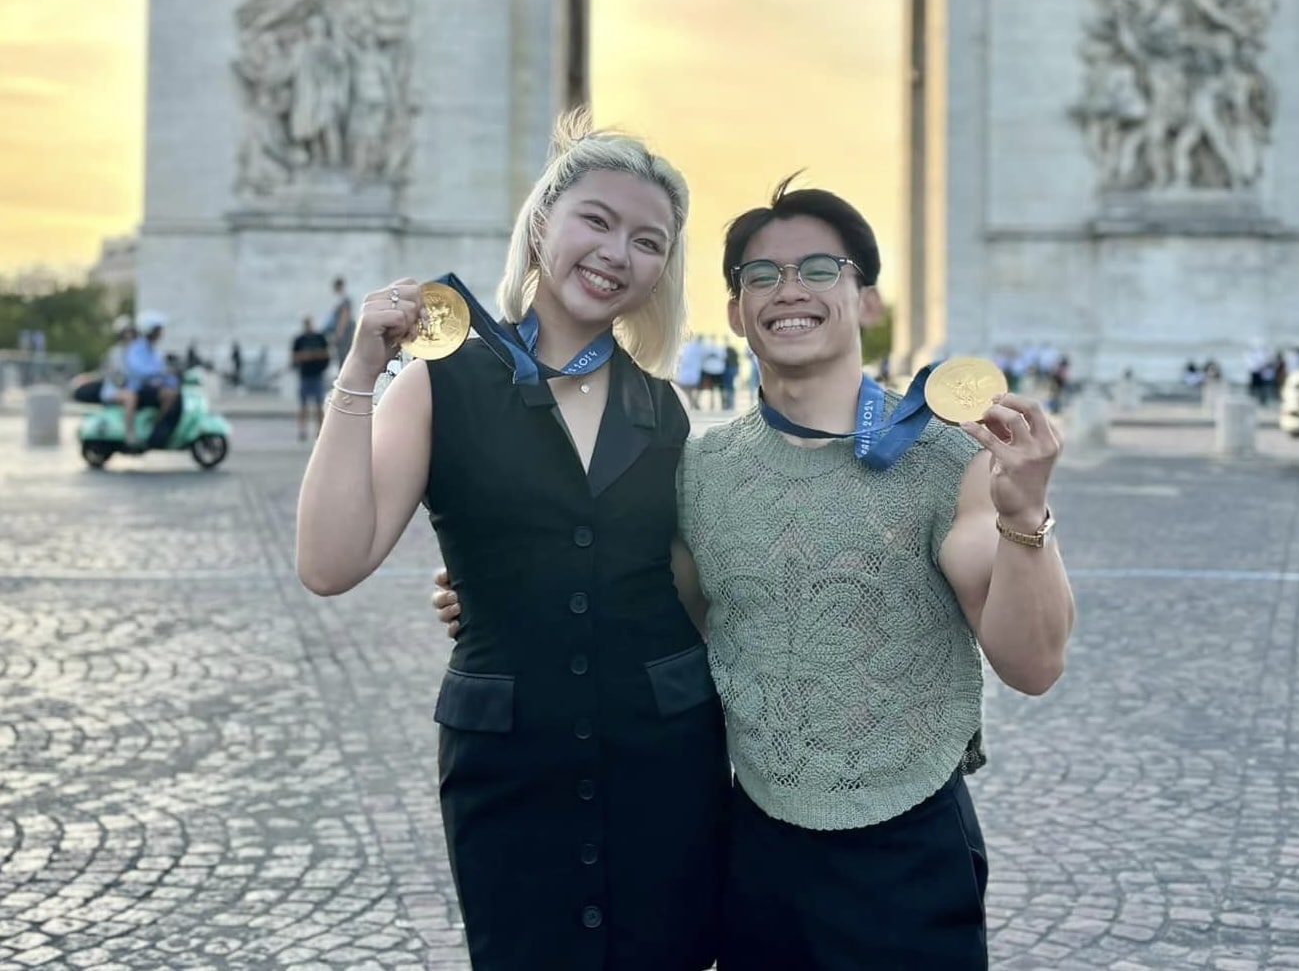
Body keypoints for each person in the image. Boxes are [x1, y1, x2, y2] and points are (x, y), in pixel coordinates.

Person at [436, 179, 1076, 969]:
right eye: (760, 276)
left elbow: (1033, 662)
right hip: (754, 846)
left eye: (818, 268)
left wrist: (1025, 517)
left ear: (867, 300)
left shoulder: (948, 457)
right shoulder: (697, 469)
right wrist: (495, 592)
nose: (789, 291)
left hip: (906, 849)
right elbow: (641, 603)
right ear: (736, 312)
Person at [296, 113, 729, 971]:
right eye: (596, 220)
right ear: (541, 224)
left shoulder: (665, 409)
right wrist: (358, 371)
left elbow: (695, 589)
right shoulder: (437, 381)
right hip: (509, 766)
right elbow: (328, 561)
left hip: (665, 758)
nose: (617, 252)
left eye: (649, 240)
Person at [124, 312, 181, 448]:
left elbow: (163, 373)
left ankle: (160, 430)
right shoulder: (136, 348)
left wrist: (173, 379)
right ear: (151, 331)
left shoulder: (153, 350)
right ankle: (154, 427)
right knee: (168, 395)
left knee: (174, 393)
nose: (161, 333)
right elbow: (137, 370)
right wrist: (160, 373)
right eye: (158, 330)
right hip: (139, 389)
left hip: (152, 388)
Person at [99, 316, 141, 444]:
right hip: (115, 389)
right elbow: (116, 376)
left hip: (130, 386)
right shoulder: (114, 352)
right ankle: (129, 432)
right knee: (130, 398)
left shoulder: (137, 352)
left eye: (131, 333)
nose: (129, 336)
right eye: (126, 334)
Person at [289, 316, 331, 441]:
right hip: (305, 375)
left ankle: (320, 430)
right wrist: (306, 356)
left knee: (318, 406)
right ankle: (303, 431)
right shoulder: (299, 340)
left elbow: (327, 353)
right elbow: (294, 357)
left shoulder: (319, 338)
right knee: (303, 406)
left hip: (316, 375)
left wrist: (312, 355)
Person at [325, 277, 355, 367]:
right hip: (343, 332)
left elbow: (344, 318)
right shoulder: (340, 300)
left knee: (344, 356)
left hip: (345, 334)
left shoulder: (344, 300)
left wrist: (338, 335)